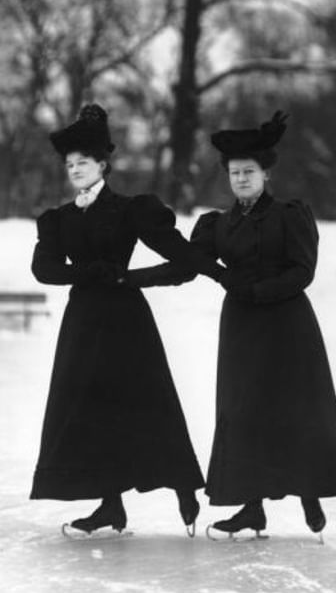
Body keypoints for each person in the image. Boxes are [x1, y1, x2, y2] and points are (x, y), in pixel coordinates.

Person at [29, 103, 221, 537]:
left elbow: (182, 260)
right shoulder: (59, 219)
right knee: (89, 413)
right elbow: (45, 270)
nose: (76, 170)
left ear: (104, 165)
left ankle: (183, 486)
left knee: (149, 404)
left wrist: (131, 277)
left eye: (84, 162)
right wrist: (89, 272)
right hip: (83, 324)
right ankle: (110, 506)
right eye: (70, 164)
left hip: (126, 321)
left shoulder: (130, 209)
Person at [190, 111, 336, 542]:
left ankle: (309, 492)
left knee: (296, 411)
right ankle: (251, 508)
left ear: (265, 173)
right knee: (243, 413)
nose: (241, 179)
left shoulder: (290, 215)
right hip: (242, 329)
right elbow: (191, 260)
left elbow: (304, 271)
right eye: (234, 173)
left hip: (287, 326)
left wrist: (258, 290)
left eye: (249, 171)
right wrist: (222, 278)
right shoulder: (219, 223)